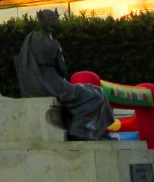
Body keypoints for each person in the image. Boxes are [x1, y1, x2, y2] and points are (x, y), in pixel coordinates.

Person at [14, 9, 115, 140]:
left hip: (41, 82)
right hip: (52, 82)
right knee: (94, 94)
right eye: (51, 18)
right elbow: (62, 69)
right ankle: (81, 130)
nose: (53, 20)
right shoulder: (54, 44)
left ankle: (95, 131)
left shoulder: (30, 38)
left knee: (94, 91)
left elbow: (22, 61)